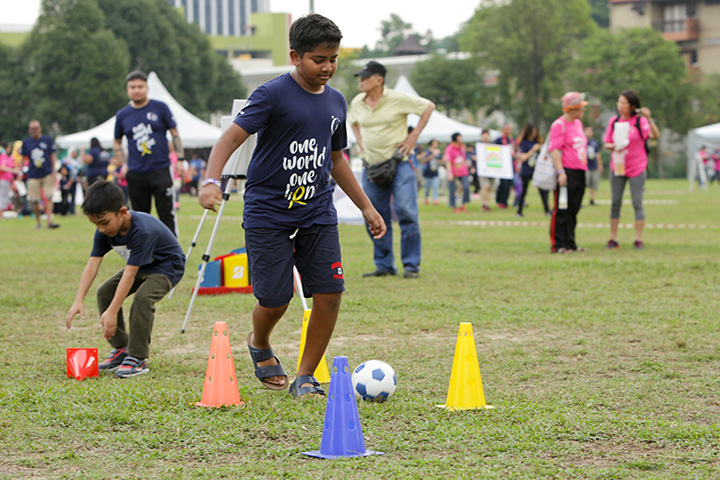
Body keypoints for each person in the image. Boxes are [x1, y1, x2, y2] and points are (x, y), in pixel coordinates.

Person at [198, 14, 385, 398]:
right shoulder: (272, 94)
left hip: (317, 210)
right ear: (295, 56)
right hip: (268, 212)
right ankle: (260, 342)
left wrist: (367, 207)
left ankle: (305, 376)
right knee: (275, 299)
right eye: (319, 59)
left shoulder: (336, 101)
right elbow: (229, 139)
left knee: (330, 294)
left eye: (333, 59)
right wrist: (210, 180)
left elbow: (336, 160)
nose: (328, 67)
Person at [65, 180, 185, 378]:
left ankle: (138, 358)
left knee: (143, 299)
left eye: (104, 222)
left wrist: (112, 311)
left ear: (122, 211)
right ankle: (122, 348)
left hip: (167, 267)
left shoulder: (142, 230)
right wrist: (78, 300)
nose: (101, 229)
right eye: (96, 224)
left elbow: (129, 275)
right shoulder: (104, 231)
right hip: (143, 266)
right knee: (105, 292)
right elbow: (92, 264)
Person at [349, 60, 435, 279]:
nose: (361, 81)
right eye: (360, 77)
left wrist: (413, 136)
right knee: (376, 216)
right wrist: (360, 142)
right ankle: (384, 265)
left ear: (379, 80)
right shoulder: (358, 102)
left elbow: (428, 107)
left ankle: (411, 265)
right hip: (372, 165)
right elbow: (353, 122)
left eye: (365, 77)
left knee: (406, 211)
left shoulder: (397, 98)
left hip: (401, 162)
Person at [113, 70, 184, 236]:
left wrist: (180, 159)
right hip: (136, 172)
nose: (136, 90)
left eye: (140, 86)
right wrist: (123, 163)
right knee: (139, 217)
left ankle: (172, 254)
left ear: (147, 88)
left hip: (160, 169)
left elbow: (174, 132)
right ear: (127, 89)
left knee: (166, 213)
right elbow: (117, 140)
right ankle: (144, 254)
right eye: (132, 87)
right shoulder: (123, 115)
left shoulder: (160, 108)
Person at [603, 89, 659, 250]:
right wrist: (612, 146)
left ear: (632, 106)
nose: (620, 106)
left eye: (624, 103)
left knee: (637, 202)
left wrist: (649, 119)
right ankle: (613, 238)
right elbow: (606, 142)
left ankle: (638, 239)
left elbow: (655, 135)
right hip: (618, 166)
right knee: (615, 202)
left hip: (637, 167)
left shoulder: (639, 121)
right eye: (619, 102)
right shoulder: (614, 121)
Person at [549, 92, 588, 254]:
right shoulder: (559, 125)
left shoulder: (578, 124)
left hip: (580, 171)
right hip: (567, 172)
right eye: (580, 107)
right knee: (562, 209)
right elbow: (554, 150)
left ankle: (570, 242)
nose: (582, 111)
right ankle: (558, 244)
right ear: (572, 109)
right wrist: (560, 172)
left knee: (574, 209)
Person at [21, 120, 60, 229]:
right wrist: (20, 171)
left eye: (36, 128)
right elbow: (23, 158)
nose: (34, 131)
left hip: (47, 172)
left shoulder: (47, 140)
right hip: (33, 174)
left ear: (40, 128)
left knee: (49, 196)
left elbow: (52, 155)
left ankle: (49, 221)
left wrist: (54, 170)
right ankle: (38, 222)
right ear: (29, 130)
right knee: (34, 200)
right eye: (32, 129)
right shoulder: (26, 142)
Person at [515, 123, 544, 217]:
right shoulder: (524, 143)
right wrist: (533, 150)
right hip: (526, 170)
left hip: (537, 170)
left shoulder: (538, 142)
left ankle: (547, 210)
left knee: (543, 191)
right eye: (532, 131)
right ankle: (519, 211)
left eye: (536, 131)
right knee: (524, 191)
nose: (534, 133)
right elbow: (523, 157)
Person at [444, 132, 470, 212]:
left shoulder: (462, 147)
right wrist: (449, 173)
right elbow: (448, 161)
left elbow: (463, 158)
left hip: (462, 170)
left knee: (466, 186)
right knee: (452, 189)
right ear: (456, 138)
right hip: (453, 170)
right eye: (460, 137)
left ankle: (463, 204)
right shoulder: (449, 148)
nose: (461, 139)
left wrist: (467, 164)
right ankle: (454, 206)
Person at [494, 123, 516, 209]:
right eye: (506, 128)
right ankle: (500, 200)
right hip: (501, 165)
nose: (508, 130)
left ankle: (505, 201)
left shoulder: (512, 140)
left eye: (509, 128)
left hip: (511, 165)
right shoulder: (499, 140)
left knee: (509, 184)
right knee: (503, 183)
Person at [478, 129, 498, 211]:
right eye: (484, 135)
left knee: (490, 187)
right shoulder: (478, 146)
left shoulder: (493, 146)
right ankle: (484, 204)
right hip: (482, 170)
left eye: (487, 135)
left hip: (492, 170)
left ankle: (487, 204)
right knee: (485, 186)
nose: (486, 137)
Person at [585, 126, 603, 206]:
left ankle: (592, 199)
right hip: (585, 166)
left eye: (590, 131)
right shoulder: (582, 141)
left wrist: (600, 165)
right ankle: (581, 200)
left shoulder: (594, 141)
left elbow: (597, 154)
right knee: (585, 183)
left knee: (594, 183)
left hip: (594, 166)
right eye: (587, 131)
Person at [420, 139, 441, 205]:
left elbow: (440, 161)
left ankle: (435, 200)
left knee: (435, 186)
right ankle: (426, 198)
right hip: (427, 172)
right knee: (427, 187)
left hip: (435, 172)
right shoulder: (427, 151)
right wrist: (432, 156)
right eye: (435, 143)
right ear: (431, 143)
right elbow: (423, 161)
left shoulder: (438, 151)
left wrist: (438, 162)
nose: (436, 144)